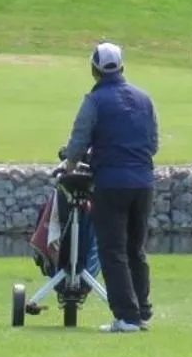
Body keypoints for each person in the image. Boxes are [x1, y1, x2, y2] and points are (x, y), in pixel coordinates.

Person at [61, 41, 159, 334]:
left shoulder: (94, 101)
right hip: (144, 184)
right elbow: (153, 144)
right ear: (122, 67)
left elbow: (78, 142)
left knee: (112, 251)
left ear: (94, 70)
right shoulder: (145, 99)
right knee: (136, 250)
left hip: (111, 184)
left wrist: (70, 165)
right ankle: (141, 312)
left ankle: (126, 317)